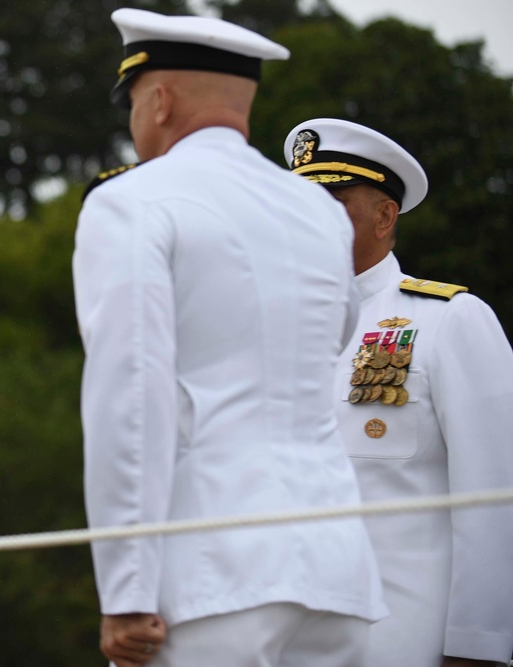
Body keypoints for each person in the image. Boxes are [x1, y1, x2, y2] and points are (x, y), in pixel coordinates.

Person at [71, 9, 386, 667]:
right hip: (336, 569)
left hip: (212, 570)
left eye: (132, 102)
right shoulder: (319, 213)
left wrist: (126, 586)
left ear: (158, 101)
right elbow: (337, 339)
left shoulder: (132, 201)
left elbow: (131, 396)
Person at [283, 118, 513, 667]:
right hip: (282, 643)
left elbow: (495, 498)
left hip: (400, 638)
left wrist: (478, 645)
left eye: (331, 200)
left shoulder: (448, 320)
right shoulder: (270, 330)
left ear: (385, 216)